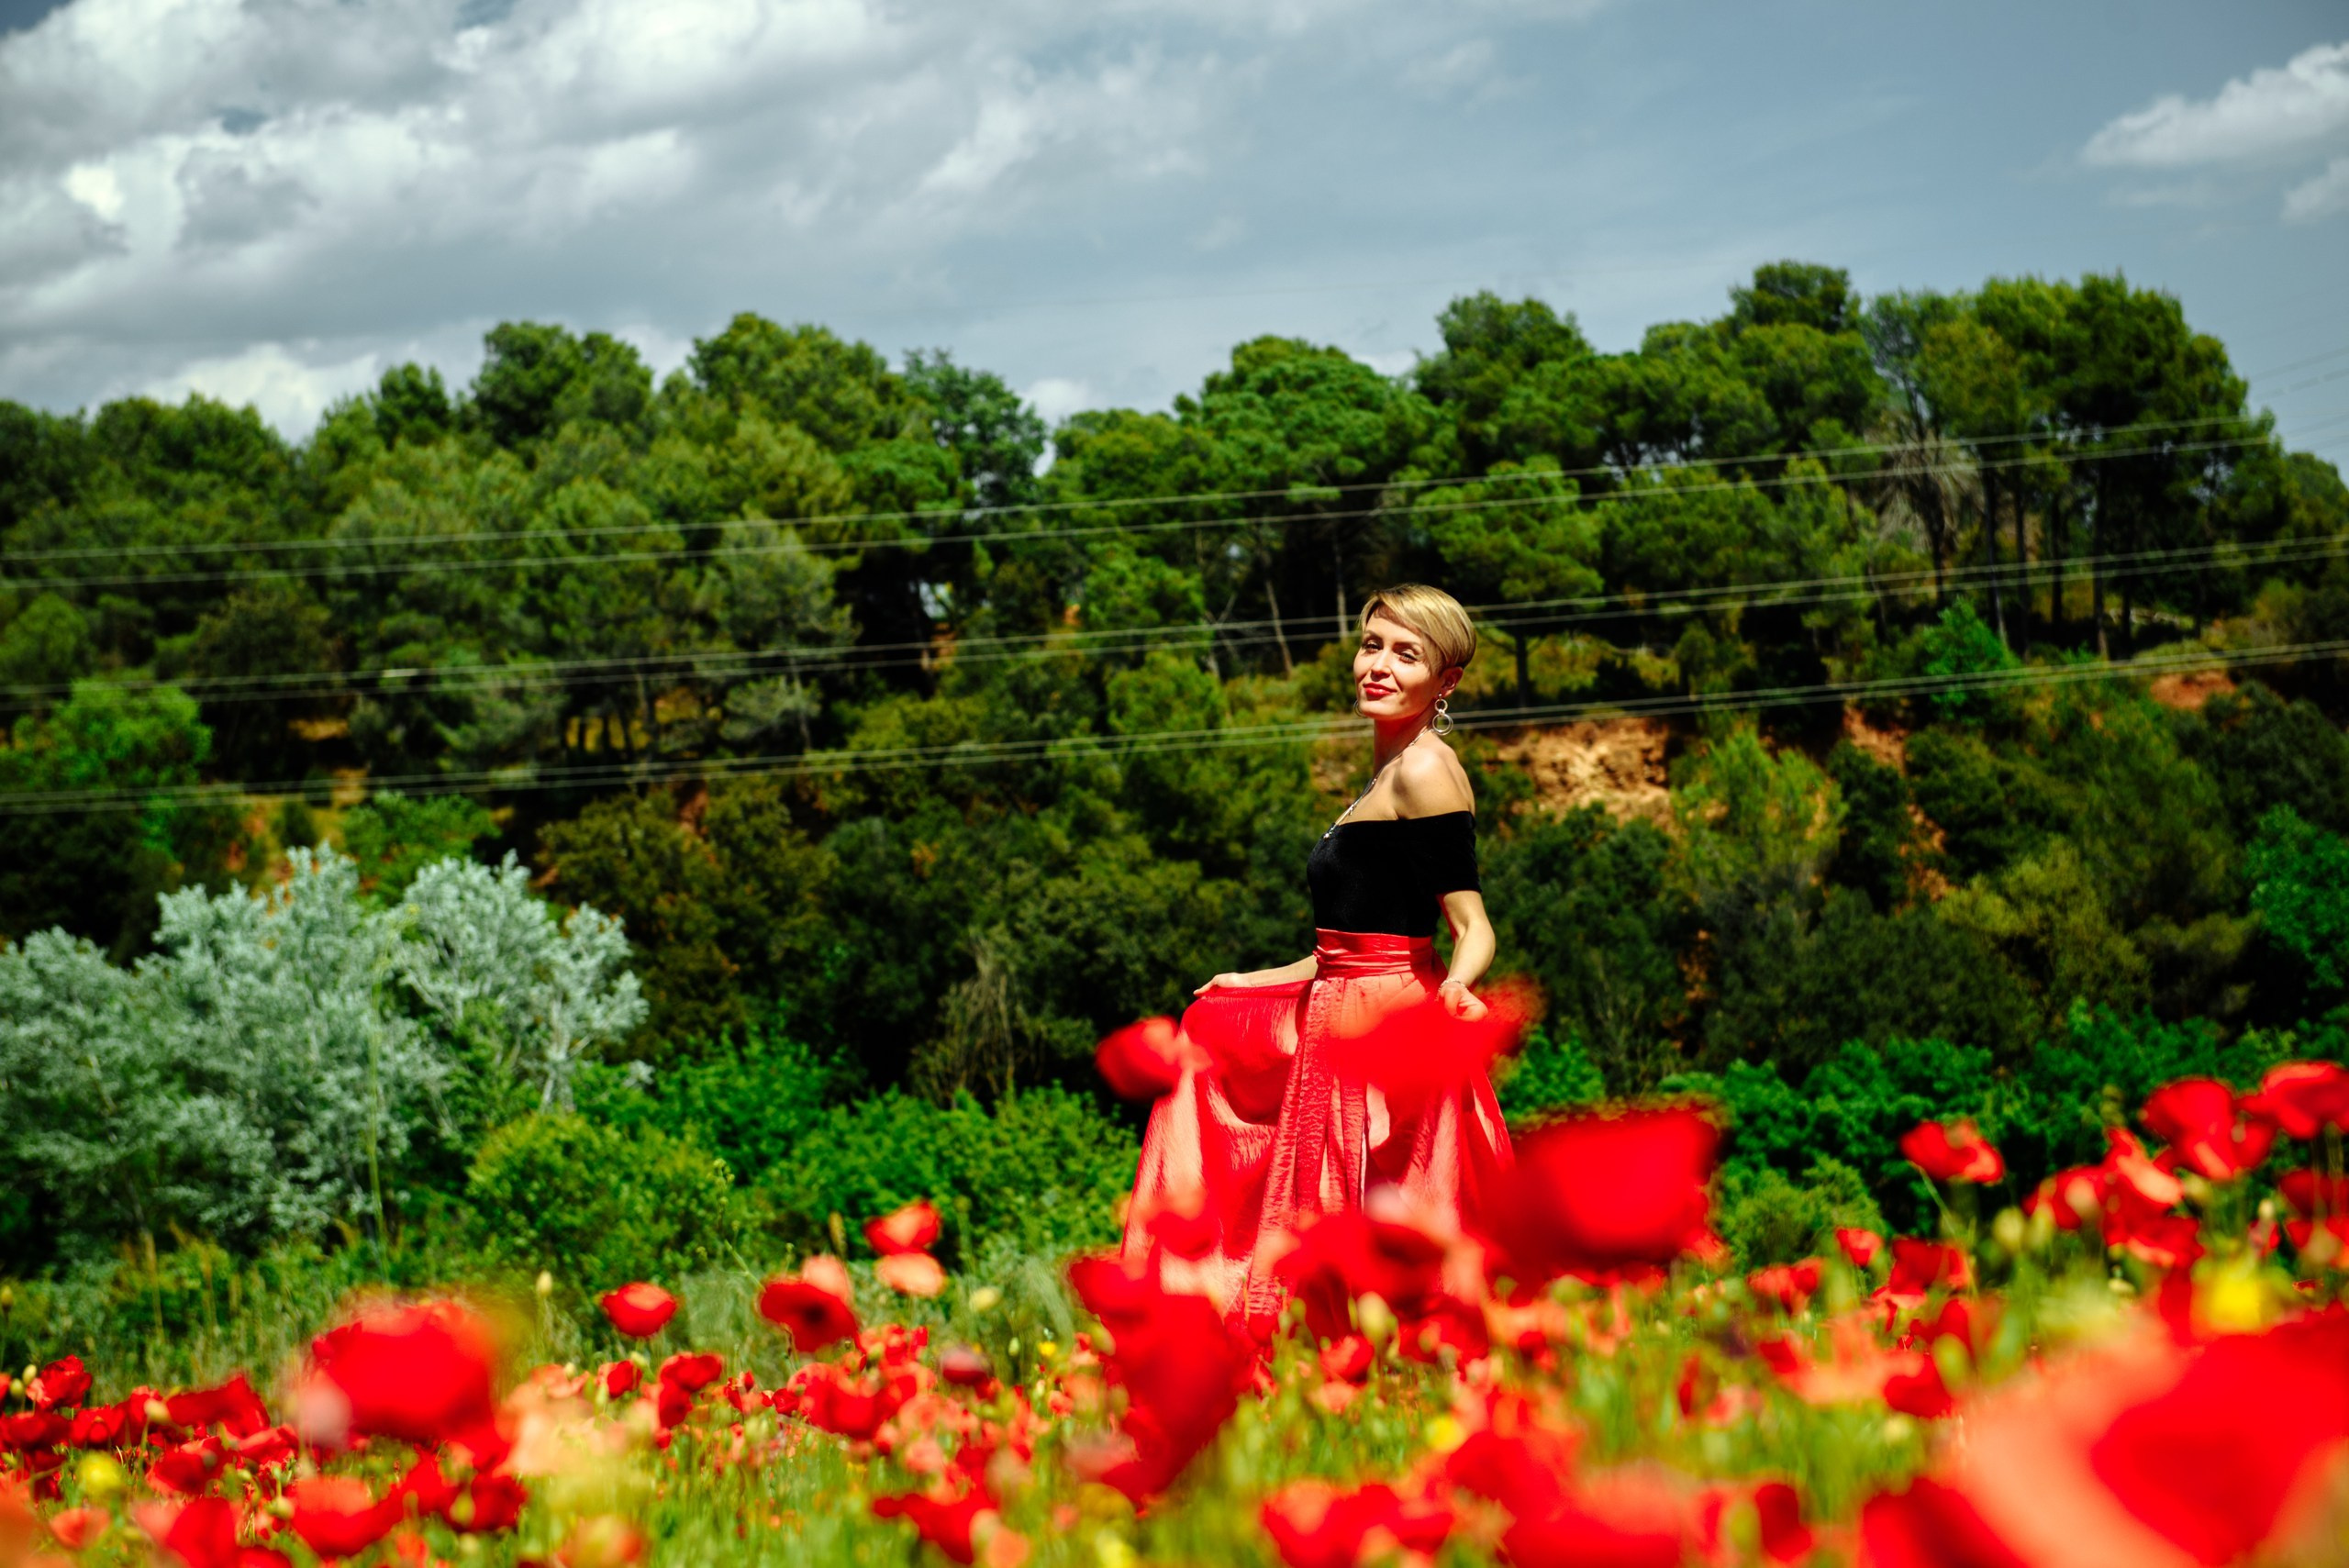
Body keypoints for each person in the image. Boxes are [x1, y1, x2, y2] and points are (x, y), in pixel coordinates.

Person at [1120, 584, 1514, 1328]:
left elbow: (1472, 924)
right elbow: (1341, 946)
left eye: (1407, 654)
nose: (1380, 666)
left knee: (1366, 1215)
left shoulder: (1426, 771)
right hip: (1339, 1003)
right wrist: (1246, 982)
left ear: (1447, 680)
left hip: (1382, 1021)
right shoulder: (1382, 774)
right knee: (1212, 1040)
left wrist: (1457, 989)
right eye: (1372, 646)